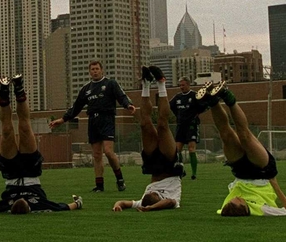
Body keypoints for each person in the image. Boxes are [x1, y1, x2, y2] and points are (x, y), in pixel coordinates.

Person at [0, 75, 82, 214]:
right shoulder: (39, 204)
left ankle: (4, 92)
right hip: (31, 172)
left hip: (11, 175)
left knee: (6, 130)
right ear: (28, 207)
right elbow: (62, 207)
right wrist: (77, 203)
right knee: (25, 127)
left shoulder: (5, 205)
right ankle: (19, 88)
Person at [193, 84, 286, 217]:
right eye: (239, 200)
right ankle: (228, 98)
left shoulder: (227, 207)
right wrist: (276, 187)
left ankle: (213, 101)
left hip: (240, 173)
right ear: (244, 207)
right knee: (245, 136)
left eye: (234, 199)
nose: (236, 197)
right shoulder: (261, 210)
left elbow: (225, 210)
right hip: (262, 173)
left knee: (226, 135)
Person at [49, 60, 136, 192]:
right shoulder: (86, 89)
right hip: (93, 122)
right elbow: (76, 107)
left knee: (108, 151)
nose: (95, 71)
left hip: (106, 119)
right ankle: (99, 185)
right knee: (96, 155)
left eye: (97, 69)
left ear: (102, 70)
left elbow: (121, 96)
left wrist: (127, 105)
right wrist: (62, 120)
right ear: (89, 72)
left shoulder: (110, 84)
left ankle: (120, 179)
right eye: (92, 69)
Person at [112, 66, 183, 212]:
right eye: (153, 195)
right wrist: (150, 208)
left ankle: (146, 84)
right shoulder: (170, 199)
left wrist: (118, 205)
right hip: (170, 166)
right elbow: (169, 203)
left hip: (153, 167)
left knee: (144, 123)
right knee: (163, 125)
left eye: (149, 194)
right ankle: (161, 83)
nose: (151, 192)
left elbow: (124, 203)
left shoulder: (144, 199)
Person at [170, 76, 200, 180]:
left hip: (191, 126)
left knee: (191, 149)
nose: (181, 87)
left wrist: (195, 116)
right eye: (180, 85)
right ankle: (181, 170)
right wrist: (178, 116)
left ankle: (194, 173)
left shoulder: (194, 95)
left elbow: (202, 106)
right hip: (180, 126)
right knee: (177, 150)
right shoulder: (177, 97)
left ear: (188, 85)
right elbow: (171, 106)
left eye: (183, 85)